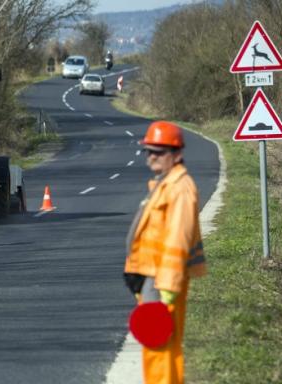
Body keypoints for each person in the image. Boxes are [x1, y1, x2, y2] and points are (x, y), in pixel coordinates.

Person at [124, 121, 207, 384]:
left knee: (162, 351)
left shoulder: (180, 188)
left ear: (177, 154)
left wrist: (167, 289)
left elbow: (177, 240)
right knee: (155, 350)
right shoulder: (165, 183)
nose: (151, 156)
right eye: (149, 151)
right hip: (152, 280)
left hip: (163, 284)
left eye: (158, 152)